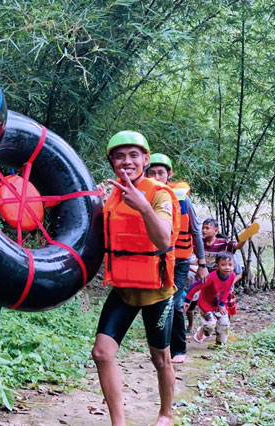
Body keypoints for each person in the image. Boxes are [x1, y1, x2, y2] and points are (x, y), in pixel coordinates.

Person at [93, 130, 180, 426]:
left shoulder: (159, 194)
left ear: (145, 158)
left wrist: (142, 205)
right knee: (102, 353)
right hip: (123, 289)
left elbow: (164, 240)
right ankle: (119, 422)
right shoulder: (111, 193)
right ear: (112, 162)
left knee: (160, 359)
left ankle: (166, 414)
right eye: (119, 156)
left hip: (157, 291)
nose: (126, 161)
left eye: (133, 155)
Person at [146, 153, 208, 364]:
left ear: (169, 174)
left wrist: (201, 263)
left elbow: (196, 231)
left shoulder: (182, 198)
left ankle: (179, 349)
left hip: (179, 260)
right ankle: (161, 348)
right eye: (151, 172)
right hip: (155, 259)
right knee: (157, 303)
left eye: (160, 172)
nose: (156, 176)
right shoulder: (142, 194)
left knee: (174, 302)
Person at [184, 252, 237, 345]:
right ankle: (202, 331)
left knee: (224, 323)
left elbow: (227, 290)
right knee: (210, 324)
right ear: (217, 266)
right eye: (223, 265)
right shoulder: (211, 277)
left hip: (218, 303)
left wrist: (222, 304)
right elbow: (195, 286)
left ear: (234, 266)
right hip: (206, 304)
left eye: (230, 265)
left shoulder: (232, 276)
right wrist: (188, 300)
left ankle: (220, 344)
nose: (227, 267)